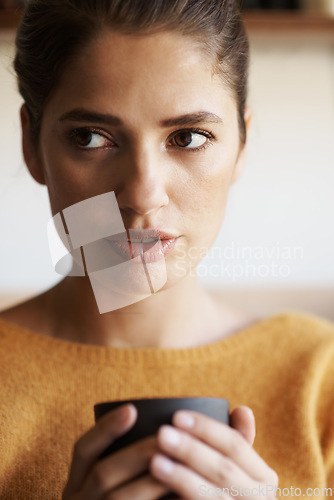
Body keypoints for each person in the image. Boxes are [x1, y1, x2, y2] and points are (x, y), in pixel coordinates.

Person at [0, 0, 334, 498]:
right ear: (32, 145)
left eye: (188, 136)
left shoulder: (319, 378)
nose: (141, 194)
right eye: (91, 138)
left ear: (241, 144)